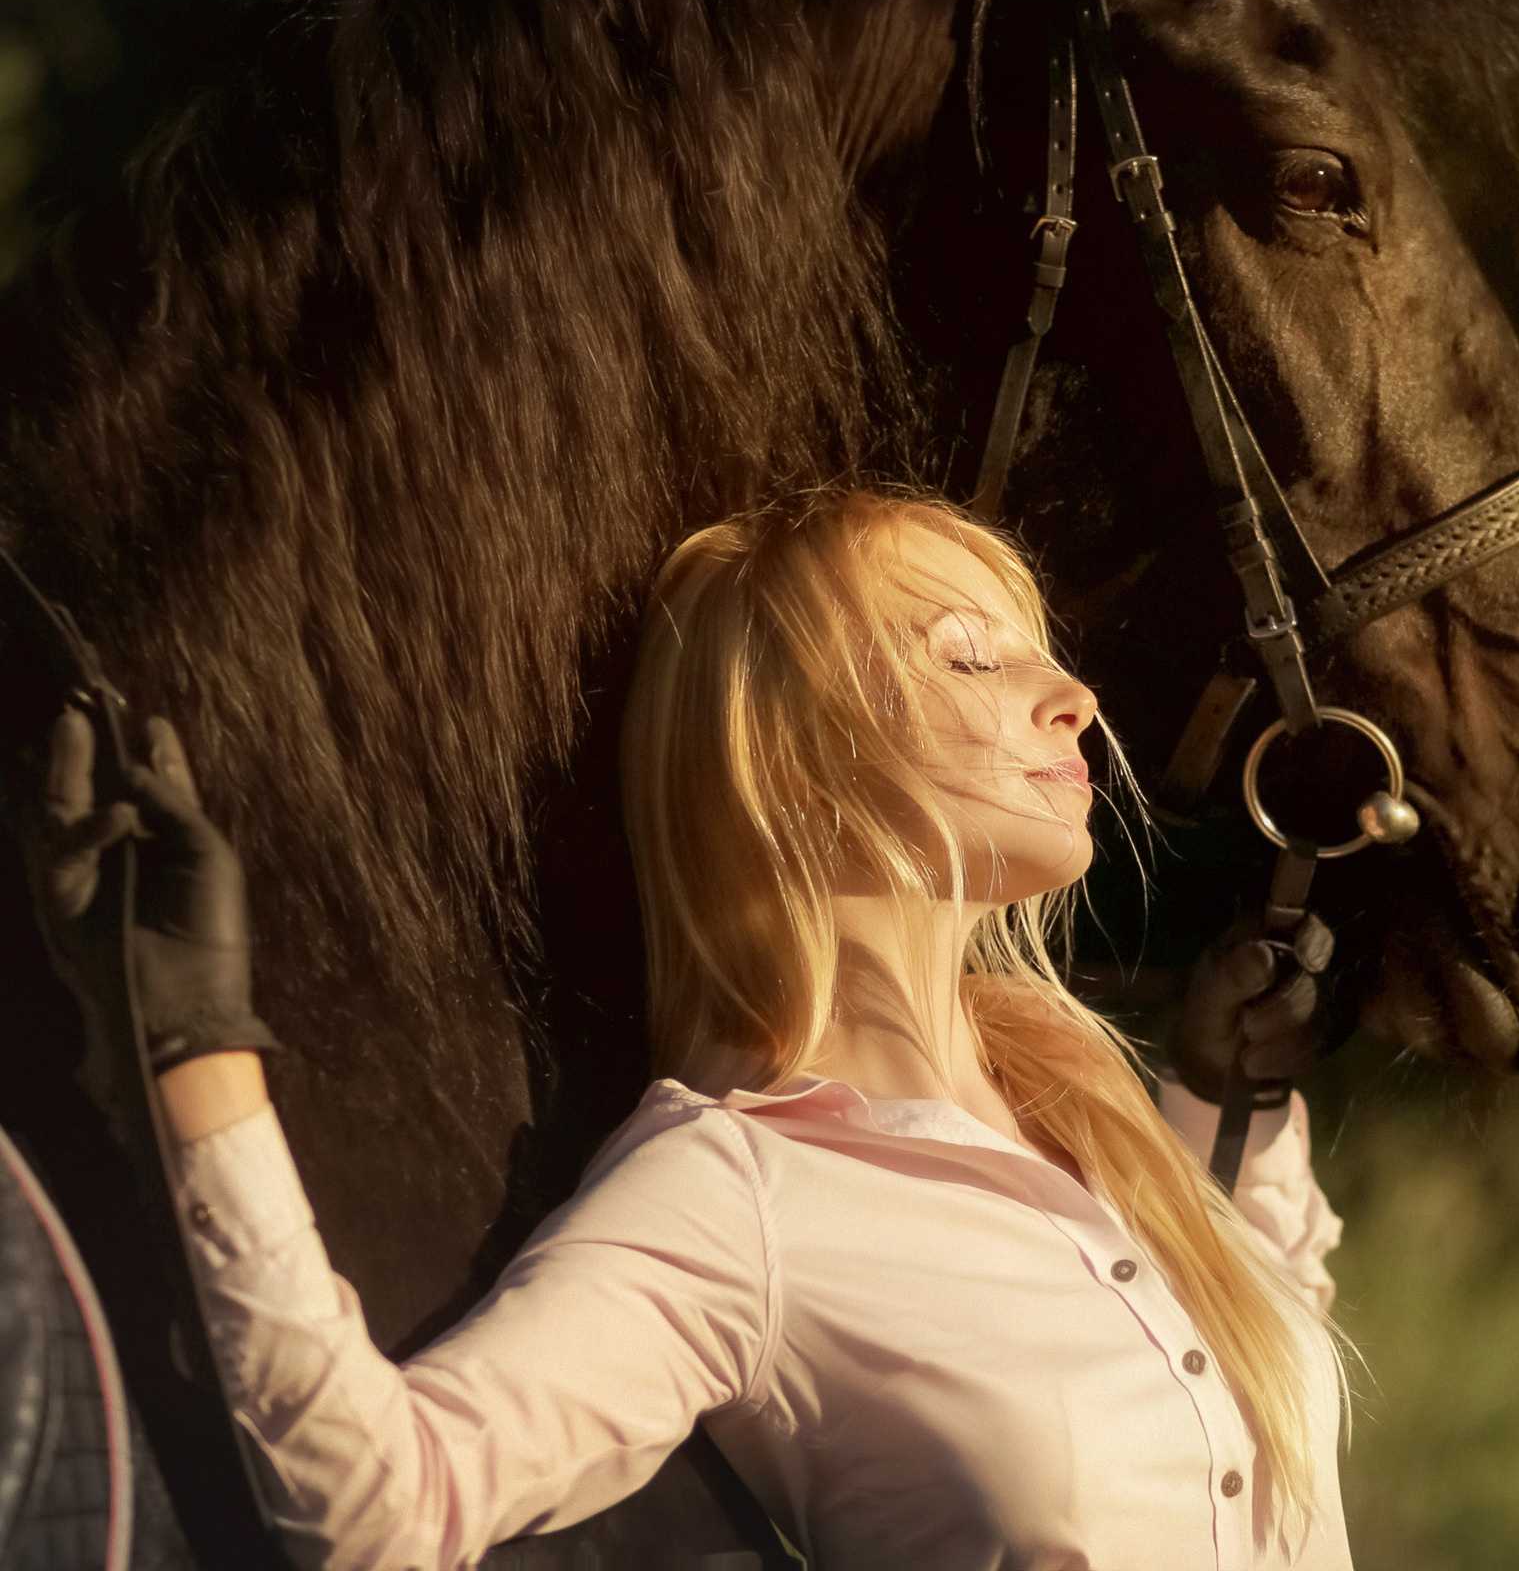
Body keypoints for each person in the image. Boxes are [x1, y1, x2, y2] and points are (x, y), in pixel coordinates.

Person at [30, 489, 1355, 1570]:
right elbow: (387, 1501)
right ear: (790, 753)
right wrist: (195, 1042)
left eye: (1038, 650)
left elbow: (1256, 1398)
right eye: (971, 654)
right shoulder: (736, 1197)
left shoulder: (1091, 1108)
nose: (1072, 692)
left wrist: (1223, 1104)